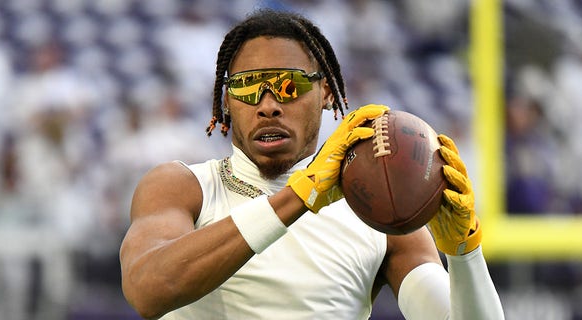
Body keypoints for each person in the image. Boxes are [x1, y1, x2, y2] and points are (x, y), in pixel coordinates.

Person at [120, 9, 505, 320]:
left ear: (324, 92)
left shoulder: (375, 211)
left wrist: (465, 253)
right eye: (248, 86)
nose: (267, 104)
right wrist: (300, 195)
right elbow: (147, 291)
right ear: (226, 101)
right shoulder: (185, 187)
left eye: (289, 85)